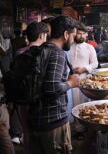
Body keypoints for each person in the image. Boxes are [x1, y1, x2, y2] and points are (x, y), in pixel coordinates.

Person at [28, 15, 80, 154]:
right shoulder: (57, 53)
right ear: (66, 34)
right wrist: (71, 83)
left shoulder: (41, 49)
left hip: (34, 119)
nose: (73, 40)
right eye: (73, 36)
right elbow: (52, 87)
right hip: (53, 122)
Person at [68, 23, 98, 138]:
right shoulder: (69, 46)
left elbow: (95, 64)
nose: (80, 36)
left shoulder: (89, 48)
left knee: (83, 104)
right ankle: (75, 128)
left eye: (83, 34)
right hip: (70, 80)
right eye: (78, 33)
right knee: (71, 104)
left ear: (86, 35)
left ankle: (83, 129)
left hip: (85, 80)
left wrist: (84, 69)